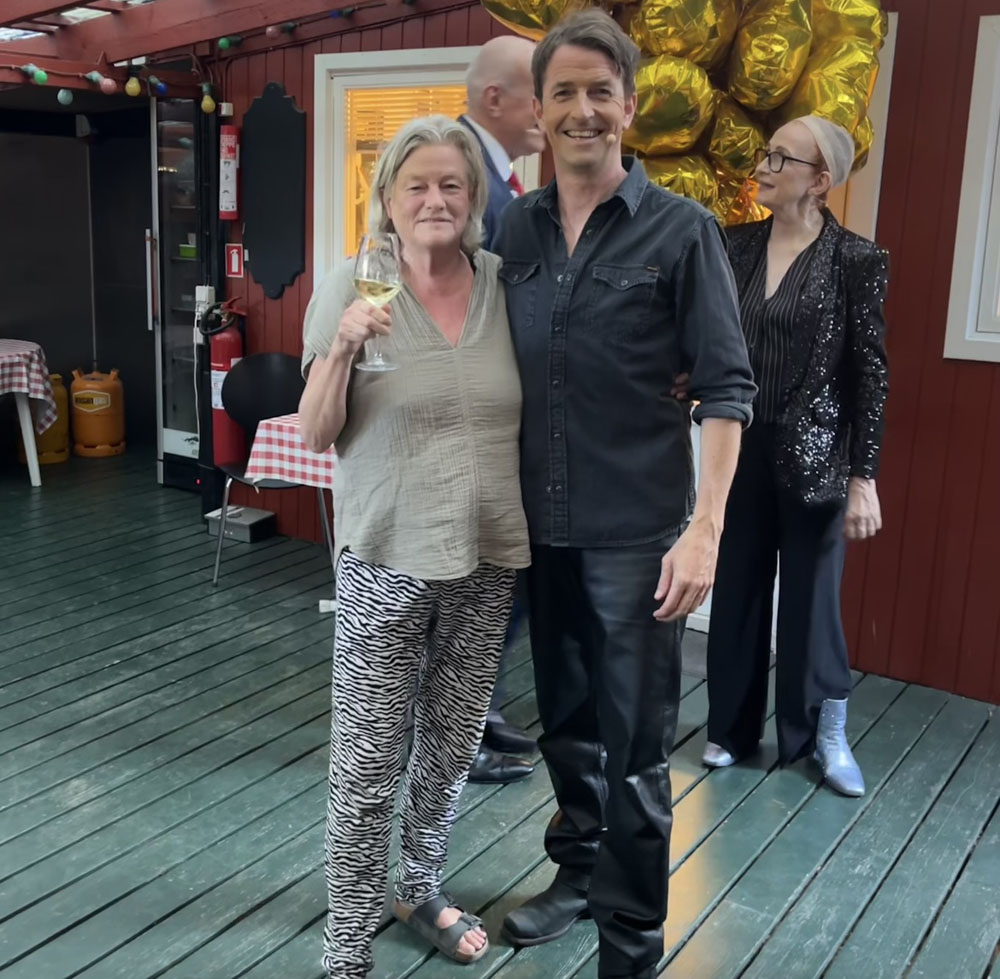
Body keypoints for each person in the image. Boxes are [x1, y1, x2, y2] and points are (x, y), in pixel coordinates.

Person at [492, 11, 757, 979]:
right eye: (562, 92)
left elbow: (726, 389)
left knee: (637, 753)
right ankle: (576, 877)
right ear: (538, 109)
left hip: (637, 536)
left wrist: (705, 530)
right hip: (537, 529)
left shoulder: (682, 231)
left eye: (599, 91)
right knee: (566, 728)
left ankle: (631, 946)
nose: (581, 110)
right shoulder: (513, 227)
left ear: (630, 107)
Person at [298, 115, 530, 979]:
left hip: (487, 554)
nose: (436, 199)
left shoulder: (504, 283)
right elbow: (316, 431)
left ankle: (420, 887)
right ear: (387, 199)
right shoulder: (354, 283)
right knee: (367, 761)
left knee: (451, 748)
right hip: (385, 558)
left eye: (452, 185)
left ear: (473, 198)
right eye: (417, 185)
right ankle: (346, 939)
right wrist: (343, 347)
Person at [700, 116, 889, 798]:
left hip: (818, 458)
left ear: (820, 179)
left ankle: (822, 735)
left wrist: (864, 477)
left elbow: (871, 374)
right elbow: (711, 338)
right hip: (740, 448)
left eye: (782, 158)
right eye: (766, 153)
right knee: (738, 590)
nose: (764, 166)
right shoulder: (733, 244)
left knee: (812, 604)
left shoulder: (857, 260)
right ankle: (730, 728)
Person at [457, 35, 547, 784]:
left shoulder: (499, 178)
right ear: (496, 99)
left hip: (502, 425)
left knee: (500, 586)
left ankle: (474, 706)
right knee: (471, 589)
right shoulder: (463, 174)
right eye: (538, 95)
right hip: (470, 426)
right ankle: (451, 733)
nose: (550, 112)